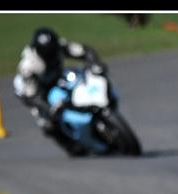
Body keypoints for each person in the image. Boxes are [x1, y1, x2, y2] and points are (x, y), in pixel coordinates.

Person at [13, 27, 107, 155]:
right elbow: (32, 97)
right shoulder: (28, 67)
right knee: (47, 123)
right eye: (48, 53)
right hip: (36, 91)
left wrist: (95, 63)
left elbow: (85, 51)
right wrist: (49, 109)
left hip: (58, 77)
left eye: (53, 51)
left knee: (81, 82)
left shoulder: (59, 45)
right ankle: (70, 145)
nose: (52, 55)